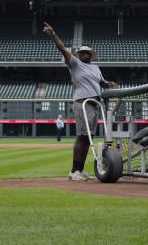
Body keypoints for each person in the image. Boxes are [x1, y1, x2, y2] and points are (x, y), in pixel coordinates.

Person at [44, 21, 117, 181]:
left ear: (91, 55)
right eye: (82, 52)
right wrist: (54, 34)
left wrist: (109, 84)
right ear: (79, 55)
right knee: (81, 137)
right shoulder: (75, 64)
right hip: (82, 104)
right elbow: (63, 49)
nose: (84, 54)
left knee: (88, 138)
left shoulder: (96, 68)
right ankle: (73, 171)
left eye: (87, 53)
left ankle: (81, 170)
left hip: (95, 106)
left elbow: (102, 83)